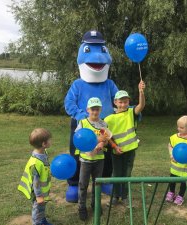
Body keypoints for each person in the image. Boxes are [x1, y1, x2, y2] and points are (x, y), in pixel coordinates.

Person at [64, 30, 118, 202]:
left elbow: (119, 100)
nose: (97, 57)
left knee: (105, 152)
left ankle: (105, 180)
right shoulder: (78, 84)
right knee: (78, 153)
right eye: (89, 50)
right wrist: (81, 116)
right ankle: (74, 183)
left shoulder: (109, 84)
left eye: (101, 50)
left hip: (104, 125)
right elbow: (69, 103)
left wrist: (130, 111)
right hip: (82, 125)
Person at [104, 80, 146, 206]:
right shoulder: (108, 118)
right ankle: (115, 197)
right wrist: (115, 146)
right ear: (115, 102)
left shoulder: (131, 112)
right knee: (116, 174)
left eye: (125, 102)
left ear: (128, 102)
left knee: (127, 174)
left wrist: (141, 91)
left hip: (130, 150)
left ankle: (125, 196)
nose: (123, 104)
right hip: (116, 151)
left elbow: (141, 105)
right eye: (120, 102)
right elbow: (106, 136)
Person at [75, 97, 114, 221]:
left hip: (99, 159)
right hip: (86, 160)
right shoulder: (82, 123)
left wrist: (103, 144)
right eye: (92, 109)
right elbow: (78, 140)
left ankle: (95, 205)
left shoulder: (103, 124)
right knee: (83, 185)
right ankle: (81, 207)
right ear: (88, 110)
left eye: (97, 109)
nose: (95, 112)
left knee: (97, 184)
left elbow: (106, 139)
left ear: (100, 110)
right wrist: (96, 141)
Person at [18, 128, 53, 225]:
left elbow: (45, 168)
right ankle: (37, 222)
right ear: (43, 144)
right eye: (50, 139)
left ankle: (42, 220)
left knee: (41, 208)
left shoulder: (43, 153)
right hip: (37, 191)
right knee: (37, 208)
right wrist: (39, 196)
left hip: (42, 190)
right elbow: (36, 182)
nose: (51, 141)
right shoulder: (35, 162)